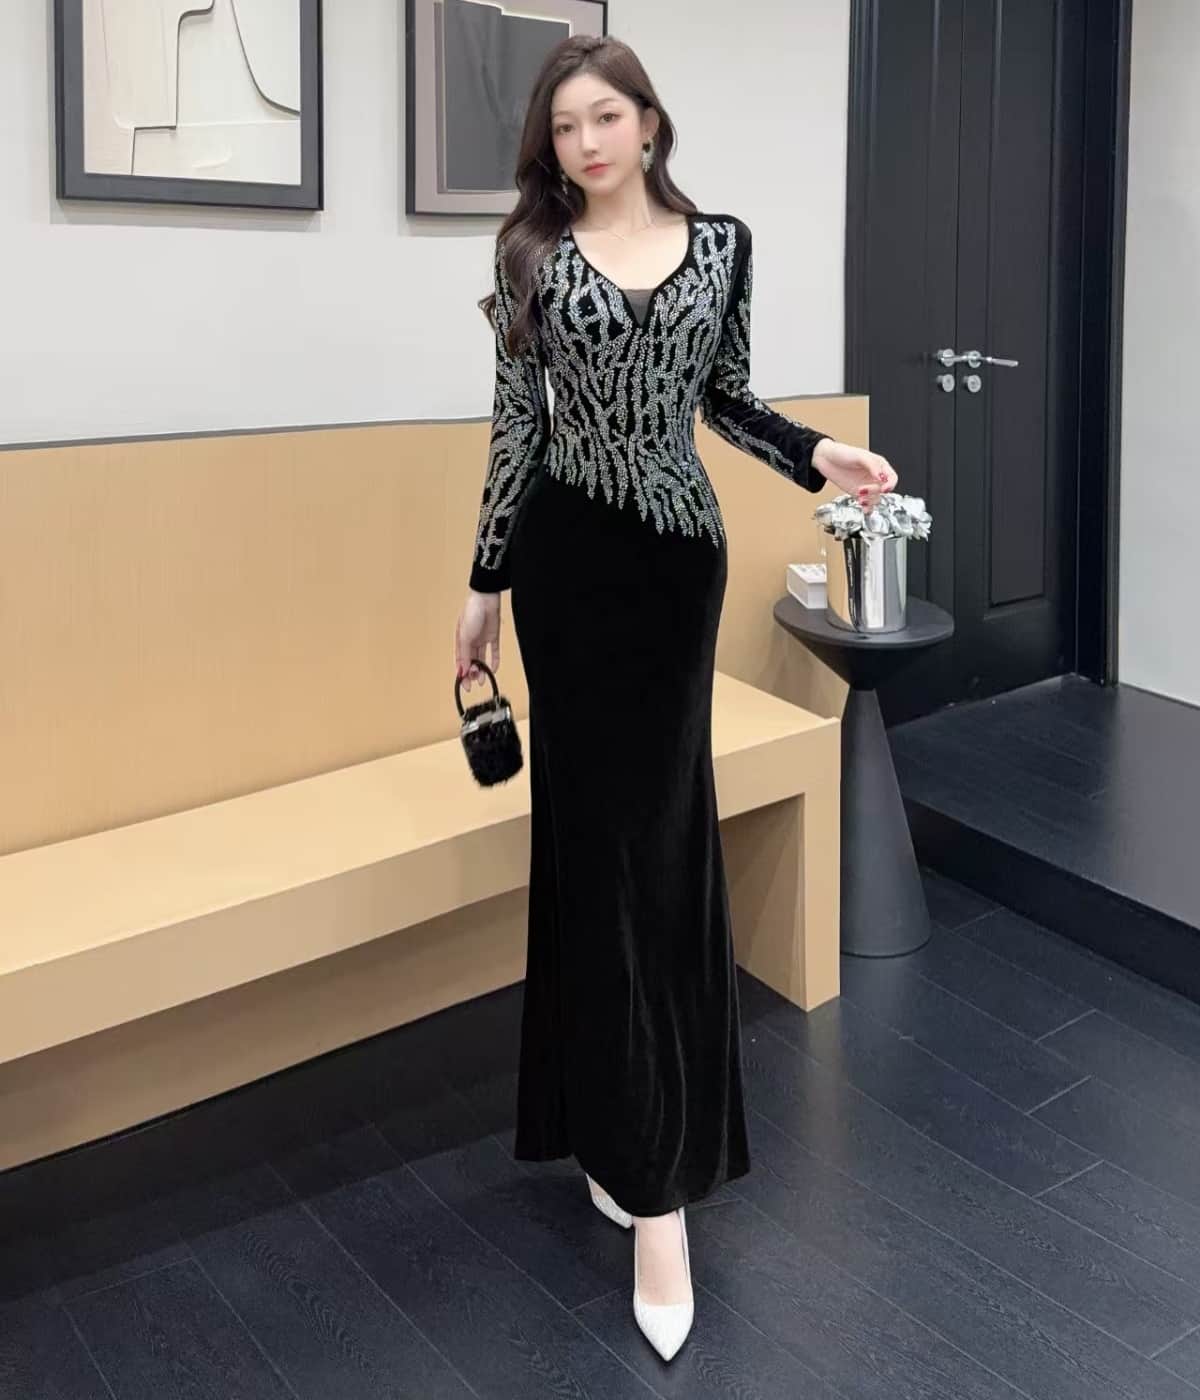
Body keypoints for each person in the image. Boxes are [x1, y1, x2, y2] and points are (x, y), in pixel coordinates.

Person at [454, 34, 898, 1362]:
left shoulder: (723, 247)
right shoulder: (528, 256)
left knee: (657, 850)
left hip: (673, 570)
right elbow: (516, 428)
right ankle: (633, 1161)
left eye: (607, 117)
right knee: (593, 854)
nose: (586, 143)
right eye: (565, 126)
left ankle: (655, 1177)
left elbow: (725, 399)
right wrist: (482, 589)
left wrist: (816, 451)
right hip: (565, 574)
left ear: (649, 123)